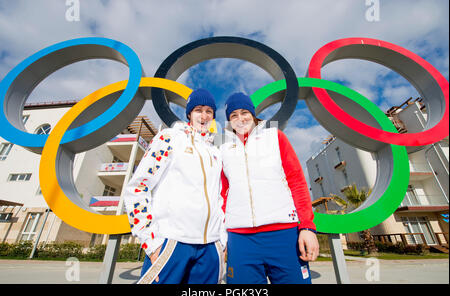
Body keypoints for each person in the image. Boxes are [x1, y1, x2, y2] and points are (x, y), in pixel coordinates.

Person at [124, 88, 226, 284]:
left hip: (210, 247)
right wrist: (152, 243)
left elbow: (219, 197)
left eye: (209, 111)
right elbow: (138, 187)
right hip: (172, 242)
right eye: (198, 110)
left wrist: (221, 239)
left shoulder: (215, 152)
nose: (203, 116)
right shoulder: (170, 138)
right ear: (189, 114)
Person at [220, 92, 319, 284]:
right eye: (233, 115)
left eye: (244, 112)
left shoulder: (275, 136)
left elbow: (297, 182)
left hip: (284, 235)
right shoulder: (223, 147)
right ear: (229, 121)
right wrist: (221, 236)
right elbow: (222, 194)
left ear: (253, 114)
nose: (240, 119)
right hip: (240, 238)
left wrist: (307, 226)